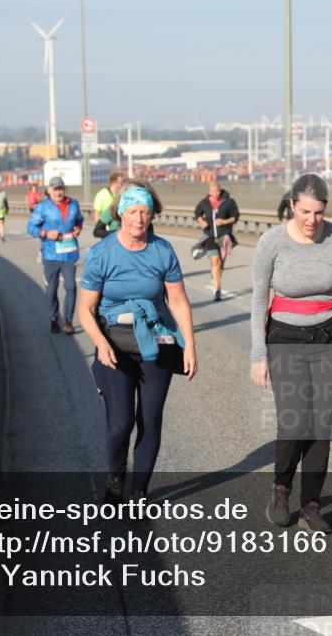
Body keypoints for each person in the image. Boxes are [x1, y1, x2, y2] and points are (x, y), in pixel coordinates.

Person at [250, 173, 332, 534]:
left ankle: (311, 505)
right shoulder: (271, 242)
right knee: (293, 421)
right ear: (291, 206)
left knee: (321, 425)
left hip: (331, 336)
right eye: (304, 211)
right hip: (285, 338)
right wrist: (259, 355)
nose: (311, 220)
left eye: (319, 213)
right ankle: (281, 488)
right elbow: (259, 301)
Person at [78, 181, 197, 503]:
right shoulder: (102, 254)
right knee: (120, 424)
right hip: (114, 346)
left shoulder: (162, 250)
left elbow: (179, 301)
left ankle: (139, 492)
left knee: (150, 419)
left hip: (155, 343)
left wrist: (189, 346)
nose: (139, 219)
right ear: (120, 213)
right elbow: (85, 309)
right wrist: (100, 344)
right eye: (132, 212)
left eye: (145, 212)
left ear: (152, 214)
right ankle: (116, 477)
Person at [27, 176, 84, 334]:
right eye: (55, 189)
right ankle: (54, 317)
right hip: (51, 254)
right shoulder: (42, 207)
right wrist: (45, 233)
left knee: (71, 287)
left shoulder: (73, 204)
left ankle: (68, 321)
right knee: (51, 290)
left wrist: (78, 228)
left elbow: (80, 220)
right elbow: (31, 228)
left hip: (69, 253)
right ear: (49, 190)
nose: (58, 192)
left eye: (60, 188)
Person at [194, 181, 240, 301]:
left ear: (220, 191)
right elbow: (197, 213)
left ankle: (215, 277)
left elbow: (235, 217)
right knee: (215, 261)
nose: (215, 193)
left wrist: (223, 222)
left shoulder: (228, 202)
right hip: (209, 236)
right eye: (213, 191)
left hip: (224, 236)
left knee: (221, 265)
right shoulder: (204, 203)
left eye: (217, 191)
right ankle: (217, 289)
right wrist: (201, 221)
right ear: (209, 192)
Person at [93, 172, 124, 239]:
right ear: (113, 182)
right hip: (107, 229)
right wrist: (100, 229)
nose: (122, 184)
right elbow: (97, 213)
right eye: (120, 182)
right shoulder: (102, 194)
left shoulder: (120, 195)